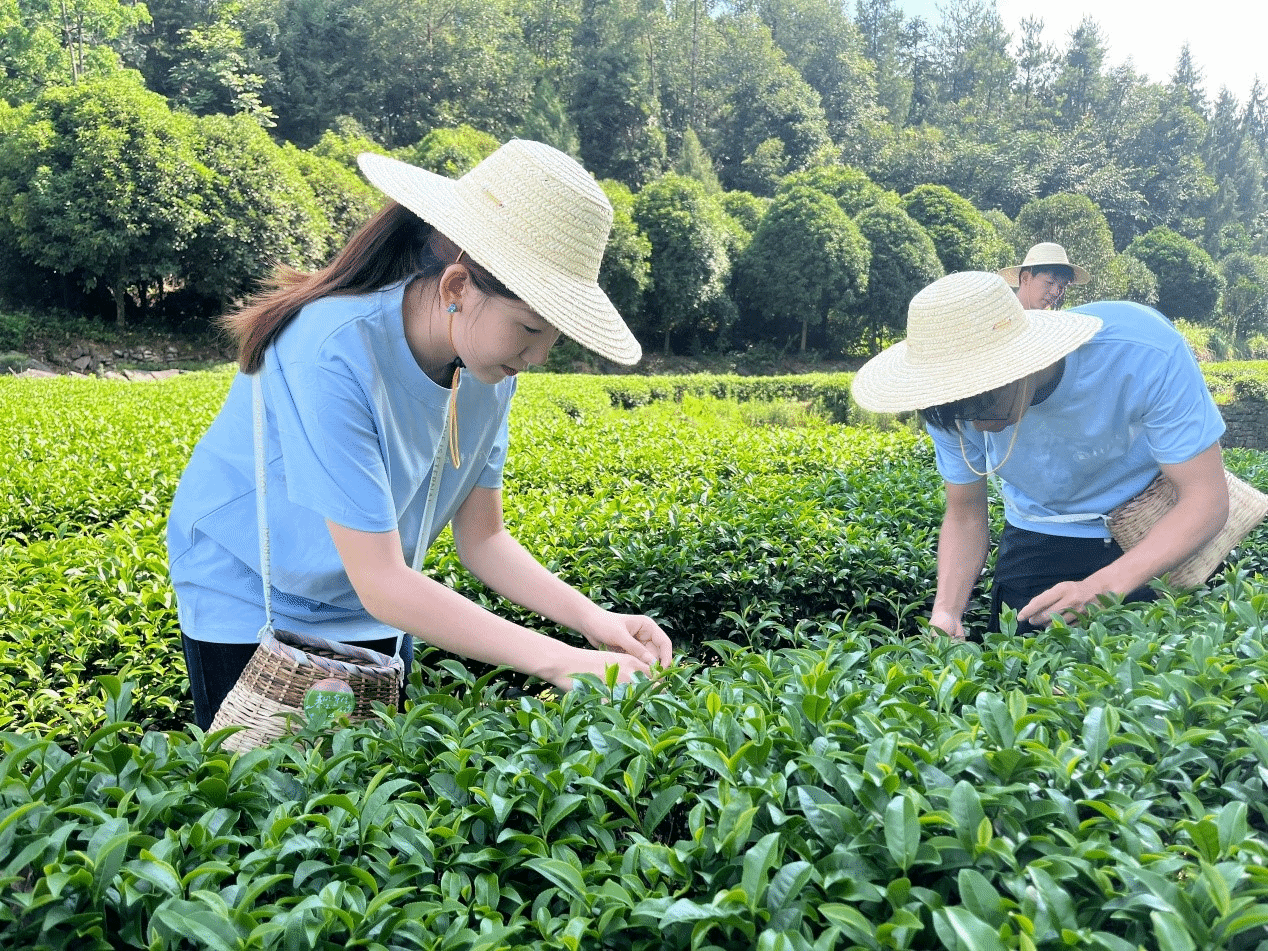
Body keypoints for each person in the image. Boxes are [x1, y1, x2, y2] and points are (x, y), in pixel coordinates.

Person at [168, 139, 673, 730]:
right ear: (457, 288)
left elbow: (483, 540)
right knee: (268, 804)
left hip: (376, 601)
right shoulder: (331, 350)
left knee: (365, 801)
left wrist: (597, 623)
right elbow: (383, 580)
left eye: (554, 337)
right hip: (254, 596)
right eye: (530, 328)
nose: (537, 355)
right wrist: (563, 662)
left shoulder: (488, 371)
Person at [850, 271, 1229, 639]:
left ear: (1019, 359)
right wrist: (947, 610)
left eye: (983, 404)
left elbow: (1204, 499)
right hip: (1038, 531)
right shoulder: (947, 400)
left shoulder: (1142, 350)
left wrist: (1104, 586)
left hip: (1152, 527)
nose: (977, 427)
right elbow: (965, 511)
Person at [998, 242, 1090, 310]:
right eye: (1049, 282)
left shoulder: (1052, 327)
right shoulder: (995, 316)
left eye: (1062, 287)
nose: (1055, 292)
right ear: (1025, 278)